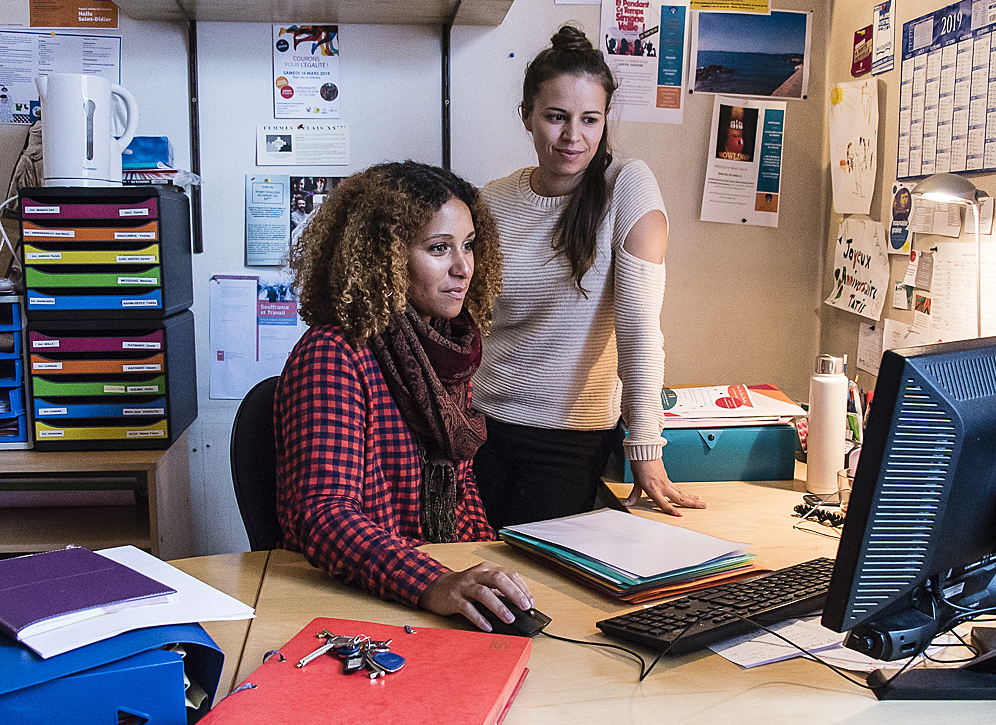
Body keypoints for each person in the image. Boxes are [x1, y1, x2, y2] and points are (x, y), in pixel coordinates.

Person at [276, 161, 533, 631]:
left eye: (469, 246)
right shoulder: (333, 354)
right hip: (358, 603)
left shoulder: (444, 348)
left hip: (427, 587)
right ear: (385, 258)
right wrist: (434, 582)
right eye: (439, 249)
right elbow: (323, 515)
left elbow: (459, 490)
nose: (463, 268)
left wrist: (486, 574)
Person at [472, 26, 706, 528]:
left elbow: (639, 330)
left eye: (589, 119)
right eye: (556, 117)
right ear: (527, 117)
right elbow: (468, 324)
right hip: (481, 427)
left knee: (534, 586)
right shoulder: (491, 202)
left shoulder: (627, 186)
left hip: (570, 438)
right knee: (471, 571)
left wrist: (645, 446)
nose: (572, 136)